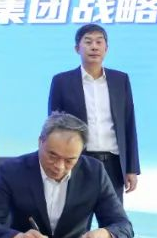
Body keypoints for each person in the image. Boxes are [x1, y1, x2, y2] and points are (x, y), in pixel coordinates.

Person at [0, 112, 133, 238]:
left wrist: (105, 234)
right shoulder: (13, 171)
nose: (59, 166)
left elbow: (123, 225)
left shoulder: (94, 172)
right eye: (52, 156)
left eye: (70, 160)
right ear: (40, 142)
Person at [48, 23, 140, 203]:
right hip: (77, 162)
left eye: (99, 42)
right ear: (77, 48)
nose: (94, 47)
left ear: (106, 48)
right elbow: (54, 127)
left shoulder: (120, 80)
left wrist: (132, 168)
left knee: (113, 217)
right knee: (76, 216)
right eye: (88, 42)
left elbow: (129, 124)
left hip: (113, 163)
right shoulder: (62, 81)